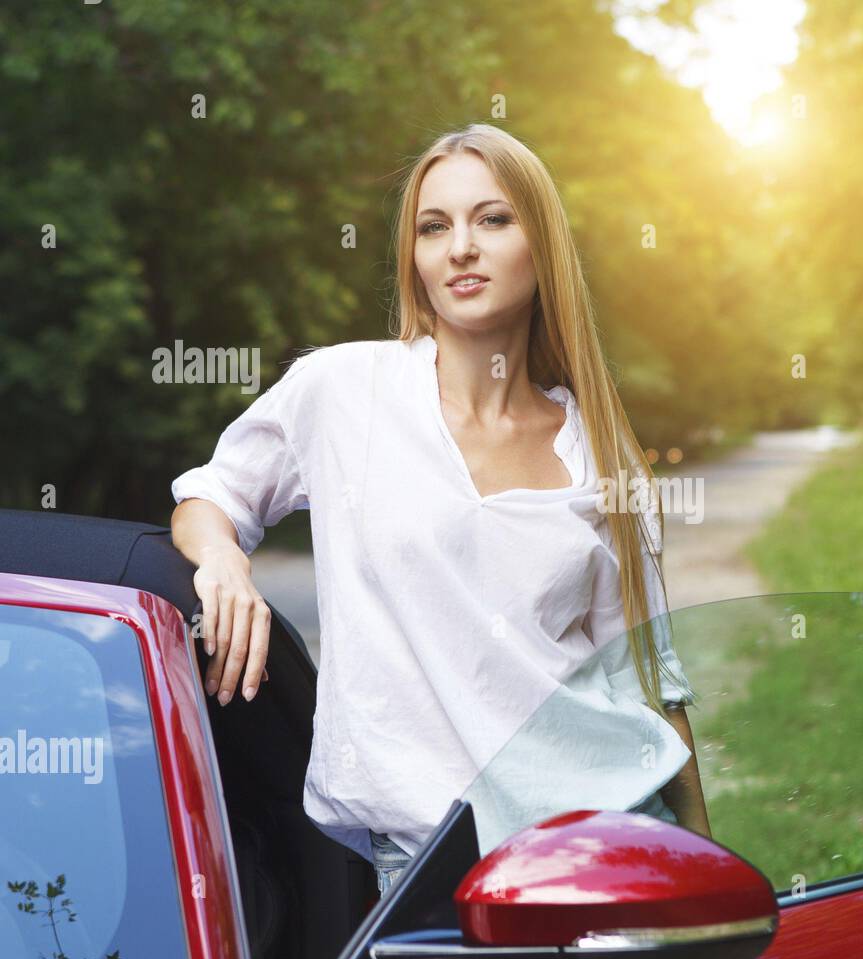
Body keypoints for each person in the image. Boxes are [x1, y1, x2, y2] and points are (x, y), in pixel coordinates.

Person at [169, 124, 711, 899]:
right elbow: (211, 496)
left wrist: (710, 882)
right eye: (435, 226)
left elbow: (652, 687)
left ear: (542, 244)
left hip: (606, 847)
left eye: (492, 219)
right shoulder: (344, 391)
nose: (460, 246)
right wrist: (224, 561)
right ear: (415, 257)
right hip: (420, 867)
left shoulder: (599, 454)